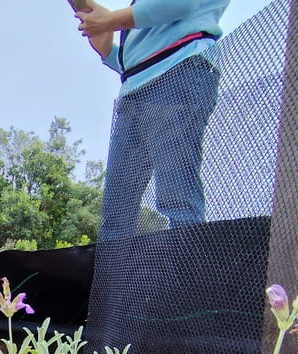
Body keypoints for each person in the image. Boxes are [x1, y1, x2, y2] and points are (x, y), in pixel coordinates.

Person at [76, 0, 229, 240]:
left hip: (180, 68)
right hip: (133, 89)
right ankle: (114, 278)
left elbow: (179, 5)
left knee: (177, 199)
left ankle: (189, 277)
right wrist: (108, 50)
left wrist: (110, 20)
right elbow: (138, 59)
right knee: (115, 216)